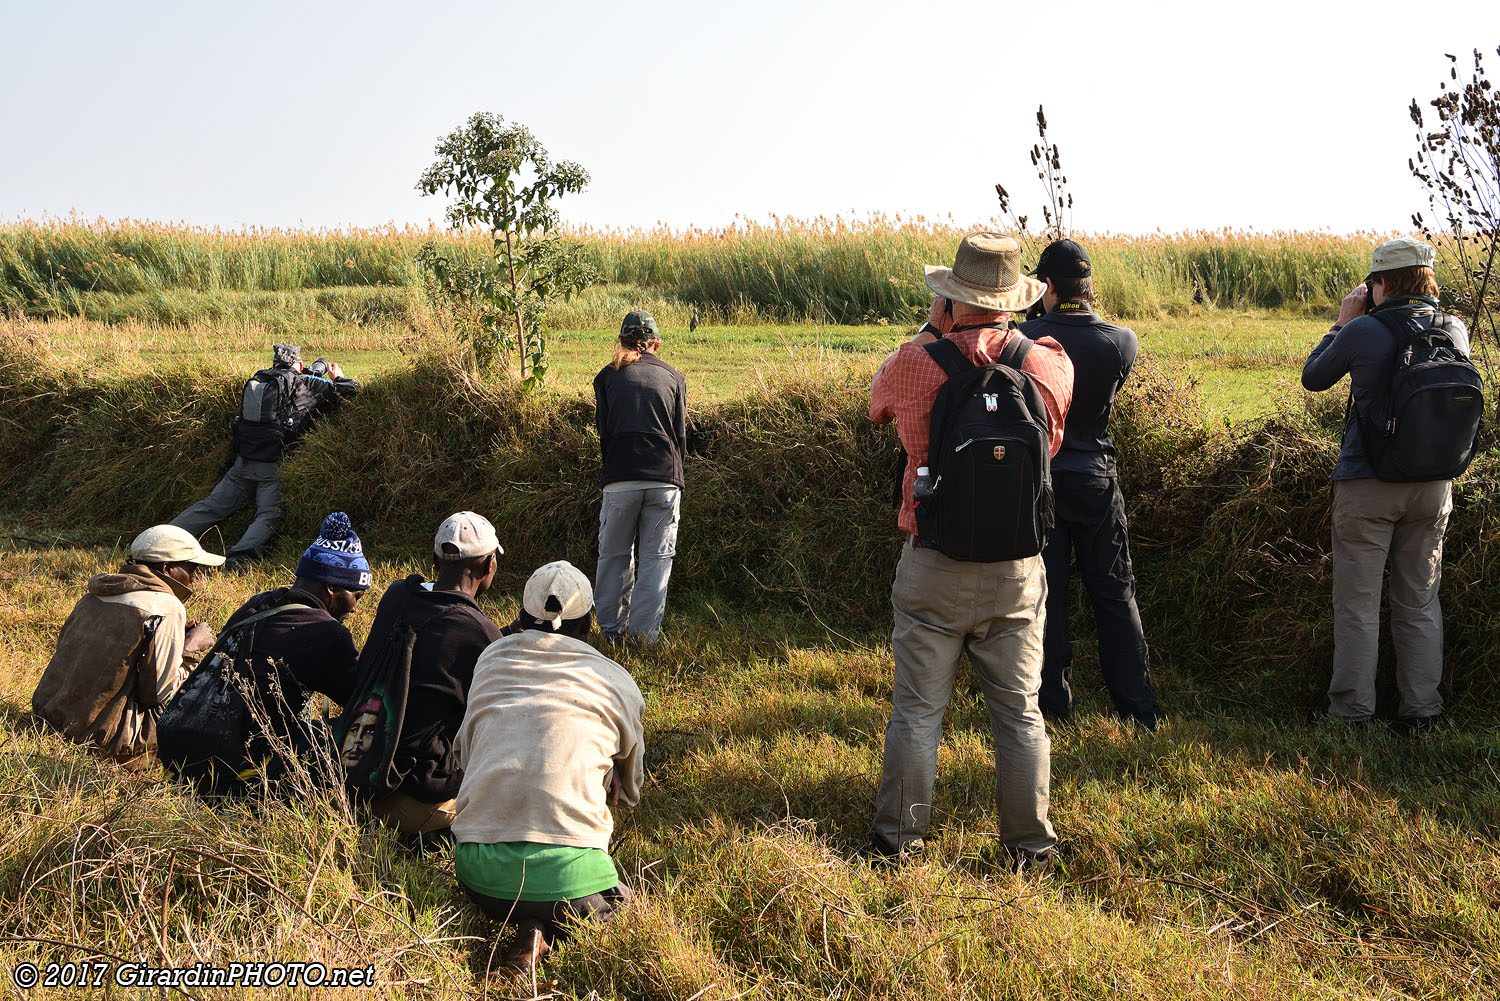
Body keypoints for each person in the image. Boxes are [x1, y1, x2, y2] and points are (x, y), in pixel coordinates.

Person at [866, 233, 1074, 867]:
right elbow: (1053, 444)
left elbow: (877, 408)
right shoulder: (1047, 361)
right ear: (1015, 299)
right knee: (1020, 715)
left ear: (951, 298)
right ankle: (1029, 846)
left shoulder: (913, 360)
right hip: (1015, 565)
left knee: (918, 712)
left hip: (934, 557)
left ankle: (900, 842)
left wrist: (933, 333)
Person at [1301, 238, 1471, 733]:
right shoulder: (1454, 327)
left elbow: (1314, 377)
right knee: (1419, 600)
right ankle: (1422, 712)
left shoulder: (1366, 329)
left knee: (1356, 604)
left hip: (1368, 482)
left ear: (1382, 283)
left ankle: (1352, 715)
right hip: (1435, 484)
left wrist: (1343, 320)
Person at [453, 561, 644, 975]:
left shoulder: (489, 659)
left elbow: (466, 757)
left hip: (479, 876)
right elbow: (629, 792)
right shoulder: (618, 680)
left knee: (538, 895)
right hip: (573, 884)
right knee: (628, 911)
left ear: (520, 620)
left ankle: (530, 931)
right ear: (589, 624)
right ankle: (545, 920)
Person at [1020, 239, 1161, 729]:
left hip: (1045, 480)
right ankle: (1137, 706)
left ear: (1049, 286)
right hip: (1098, 477)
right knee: (1115, 591)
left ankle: (1054, 705)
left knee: (1048, 593)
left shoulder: (1027, 340)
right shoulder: (1122, 341)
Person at [160, 511, 370, 794]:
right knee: (359, 734)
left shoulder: (261, 602)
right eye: (355, 595)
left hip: (180, 750)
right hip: (236, 766)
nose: (355, 608)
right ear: (332, 586)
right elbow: (361, 701)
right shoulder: (327, 632)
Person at [349, 511, 506, 839]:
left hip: (356, 774)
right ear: (488, 565)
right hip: (417, 796)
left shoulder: (397, 595)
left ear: (435, 559)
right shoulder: (482, 634)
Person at [31, 526, 222, 768]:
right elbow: (157, 694)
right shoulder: (167, 606)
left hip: (48, 716)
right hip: (103, 738)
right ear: (167, 569)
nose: (193, 580)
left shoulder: (96, 593)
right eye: (191, 570)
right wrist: (191, 649)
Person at [170, 343, 359, 567]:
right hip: (272, 467)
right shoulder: (306, 382)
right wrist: (337, 377)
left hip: (243, 462)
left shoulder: (257, 381)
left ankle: (164, 537)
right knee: (269, 514)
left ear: (275, 363)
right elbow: (352, 389)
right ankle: (240, 556)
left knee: (212, 506)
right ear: (297, 364)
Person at [592, 310, 687, 646]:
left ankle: (610, 633)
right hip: (664, 477)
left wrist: (613, 471)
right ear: (655, 344)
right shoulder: (674, 376)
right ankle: (644, 638)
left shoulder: (606, 377)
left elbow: (604, 433)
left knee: (614, 555)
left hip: (620, 476)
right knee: (655, 561)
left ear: (621, 340)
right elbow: (679, 436)